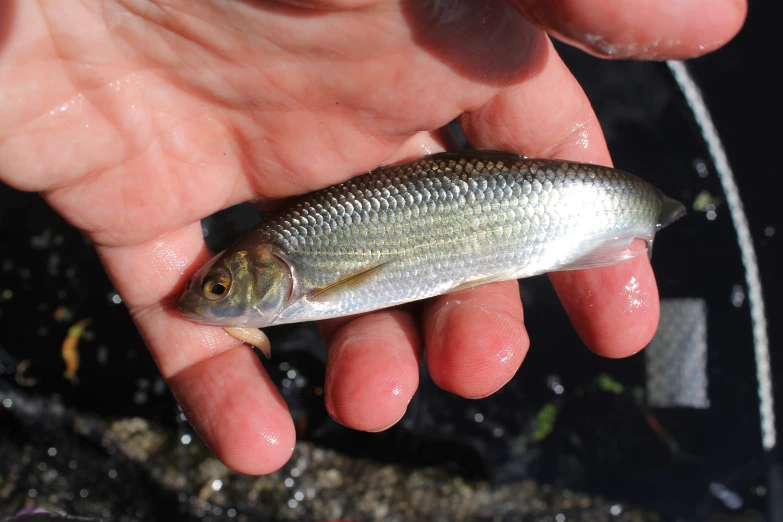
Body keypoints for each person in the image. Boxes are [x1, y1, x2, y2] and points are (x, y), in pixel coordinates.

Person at [0, 0, 746, 475]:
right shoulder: (287, 258)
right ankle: (661, 212)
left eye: (220, 284)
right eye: (216, 285)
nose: (206, 292)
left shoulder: (297, 266)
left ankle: (657, 213)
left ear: (269, 274)